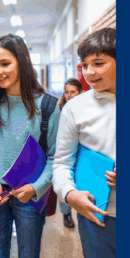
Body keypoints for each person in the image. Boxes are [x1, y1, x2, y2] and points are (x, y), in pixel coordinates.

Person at [0, 34, 60, 258]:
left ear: (22, 62)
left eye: (5, 63)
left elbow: (56, 157)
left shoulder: (48, 106)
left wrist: (36, 187)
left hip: (32, 195)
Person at [52, 27, 118, 258]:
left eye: (98, 64)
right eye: (85, 65)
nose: (89, 72)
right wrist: (70, 194)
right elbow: (61, 162)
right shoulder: (75, 108)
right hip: (96, 215)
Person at [56, 78, 83, 229]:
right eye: (66, 92)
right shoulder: (59, 110)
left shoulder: (85, 109)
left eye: (73, 92)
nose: (69, 95)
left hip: (81, 151)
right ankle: (66, 214)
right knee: (65, 180)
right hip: (64, 151)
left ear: (80, 93)